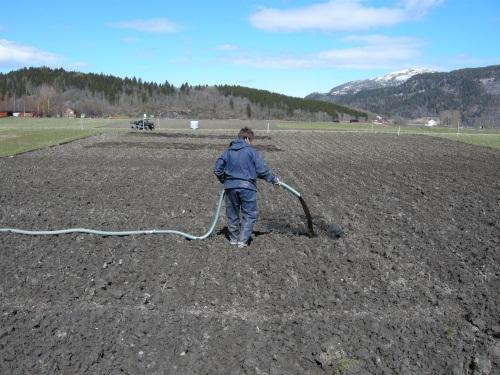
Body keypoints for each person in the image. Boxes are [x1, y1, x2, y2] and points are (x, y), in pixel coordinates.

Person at [213, 127, 279, 248]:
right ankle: (242, 241)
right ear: (247, 138)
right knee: (249, 214)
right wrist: (273, 179)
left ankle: (233, 239)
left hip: (230, 188)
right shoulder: (251, 151)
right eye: (251, 140)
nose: (250, 143)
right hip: (247, 187)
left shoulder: (228, 151)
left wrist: (225, 180)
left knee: (232, 214)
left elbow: (217, 169)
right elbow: (261, 170)